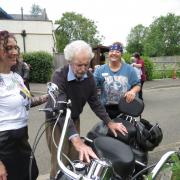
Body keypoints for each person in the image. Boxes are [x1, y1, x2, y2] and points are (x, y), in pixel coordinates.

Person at [45, 40, 128, 180]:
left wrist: (109, 122)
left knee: (75, 159)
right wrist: (77, 141)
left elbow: (95, 102)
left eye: (86, 64)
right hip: (57, 121)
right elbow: (62, 109)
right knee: (60, 161)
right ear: (70, 61)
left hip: (74, 118)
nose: (83, 69)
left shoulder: (89, 78)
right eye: (79, 65)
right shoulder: (59, 76)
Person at [0, 30, 48, 180]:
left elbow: (26, 103)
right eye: (9, 48)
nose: (14, 52)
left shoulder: (16, 78)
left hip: (22, 139)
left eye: (16, 47)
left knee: (31, 174)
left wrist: (48, 96)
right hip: (4, 145)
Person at [93, 42, 141, 119]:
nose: (114, 53)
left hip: (125, 107)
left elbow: (137, 85)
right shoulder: (100, 70)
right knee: (107, 130)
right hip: (106, 110)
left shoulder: (129, 69)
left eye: (117, 51)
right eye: (111, 51)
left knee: (126, 130)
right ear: (108, 53)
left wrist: (133, 91)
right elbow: (91, 86)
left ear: (121, 54)